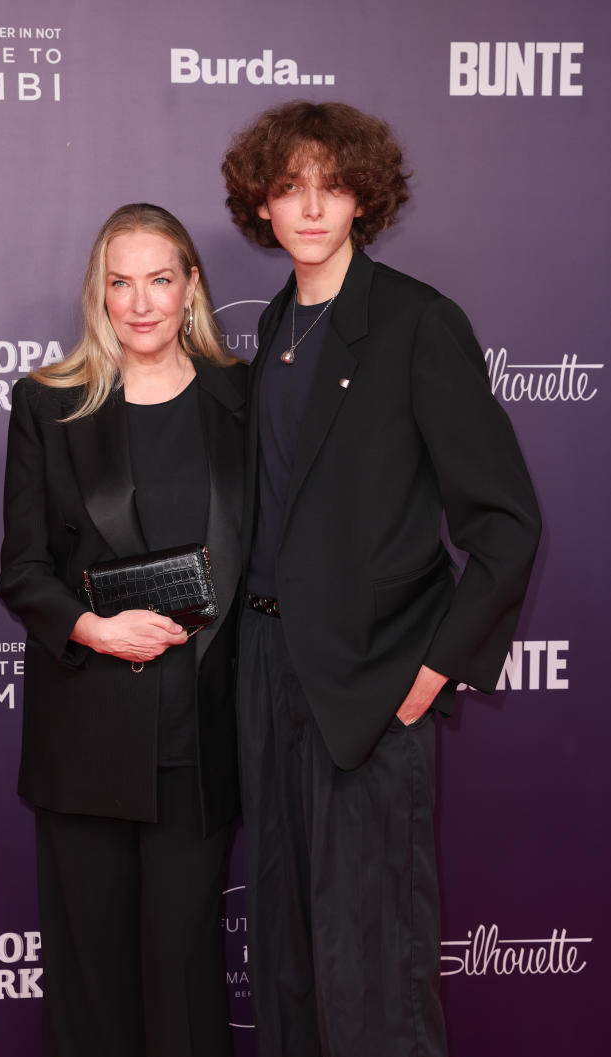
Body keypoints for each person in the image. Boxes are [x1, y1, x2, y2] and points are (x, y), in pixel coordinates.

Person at [222, 101, 541, 1056]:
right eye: (289, 187)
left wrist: (432, 672)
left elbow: (508, 525)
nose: (311, 206)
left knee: (371, 962)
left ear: (365, 194)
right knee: (283, 949)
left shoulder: (413, 321)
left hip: (370, 681)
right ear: (262, 205)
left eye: (332, 184)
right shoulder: (274, 328)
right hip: (265, 669)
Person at [0, 203, 245, 1057]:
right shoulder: (47, 403)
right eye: (119, 282)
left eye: (159, 280)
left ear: (190, 288)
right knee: (90, 990)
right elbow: (21, 570)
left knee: (184, 988)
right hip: (86, 737)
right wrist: (91, 628)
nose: (140, 303)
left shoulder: (242, 399)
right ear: (98, 293)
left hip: (199, 743)